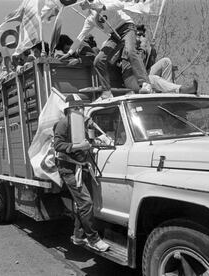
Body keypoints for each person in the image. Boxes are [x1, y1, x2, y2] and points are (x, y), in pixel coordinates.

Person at [59, 0, 152, 98]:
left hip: (127, 27)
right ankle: (107, 92)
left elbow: (120, 4)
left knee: (130, 51)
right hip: (115, 35)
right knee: (99, 60)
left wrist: (102, 7)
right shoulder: (90, 19)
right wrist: (69, 53)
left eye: (80, 2)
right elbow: (81, 36)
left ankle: (145, 84)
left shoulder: (101, 1)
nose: (79, 4)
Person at [53, 103, 109, 252]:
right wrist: (78, 147)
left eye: (82, 108)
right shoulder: (63, 123)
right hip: (69, 169)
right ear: (70, 110)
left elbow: (87, 143)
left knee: (81, 205)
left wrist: (98, 140)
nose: (82, 110)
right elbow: (58, 145)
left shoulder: (80, 124)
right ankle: (93, 239)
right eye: (79, 108)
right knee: (86, 203)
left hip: (82, 167)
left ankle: (78, 236)